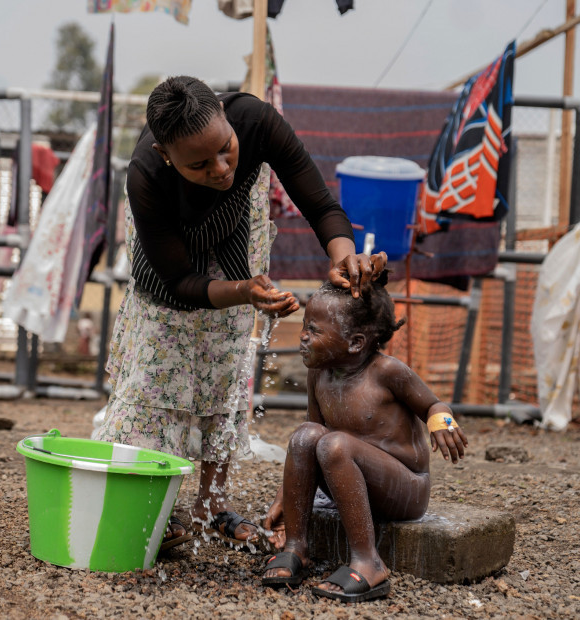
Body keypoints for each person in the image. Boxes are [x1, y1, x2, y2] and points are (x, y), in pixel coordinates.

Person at [93, 75, 385, 551]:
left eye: (226, 148)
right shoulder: (146, 175)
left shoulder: (256, 120)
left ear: (228, 120)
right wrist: (245, 290)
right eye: (200, 163)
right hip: (170, 269)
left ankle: (212, 508)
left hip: (235, 235)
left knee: (227, 360)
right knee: (156, 369)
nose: (222, 167)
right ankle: (149, 508)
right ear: (168, 156)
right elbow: (180, 283)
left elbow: (319, 203)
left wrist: (343, 256)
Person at [260, 276, 467, 603]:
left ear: (355, 342)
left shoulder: (388, 372)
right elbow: (311, 442)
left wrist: (442, 422)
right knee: (305, 436)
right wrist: (286, 498)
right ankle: (296, 548)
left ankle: (369, 562)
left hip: (403, 489)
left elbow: (432, 404)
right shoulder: (320, 373)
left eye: (314, 330)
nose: (302, 336)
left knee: (334, 443)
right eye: (304, 326)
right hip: (347, 476)